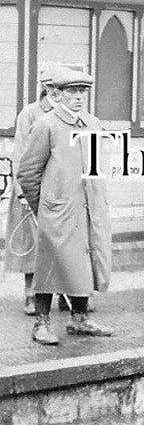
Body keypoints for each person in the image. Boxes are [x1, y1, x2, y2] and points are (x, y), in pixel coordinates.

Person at [17, 67, 114, 345]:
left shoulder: (93, 124)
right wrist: (44, 208)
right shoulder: (46, 124)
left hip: (88, 208)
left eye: (83, 91)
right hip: (58, 210)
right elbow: (28, 172)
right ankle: (41, 323)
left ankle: (79, 318)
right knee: (51, 265)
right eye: (72, 91)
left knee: (84, 260)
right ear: (57, 94)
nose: (79, 97)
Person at [7, 66, 60, 316]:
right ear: (47, 89)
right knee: (33, 246)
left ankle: (67, 295)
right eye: (55, 88)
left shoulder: (69, 113)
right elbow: (20, 153)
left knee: (61, 244)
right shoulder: (30, 114)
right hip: (32, 189)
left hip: (58, 191)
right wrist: (23, 193)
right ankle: (30, 295)